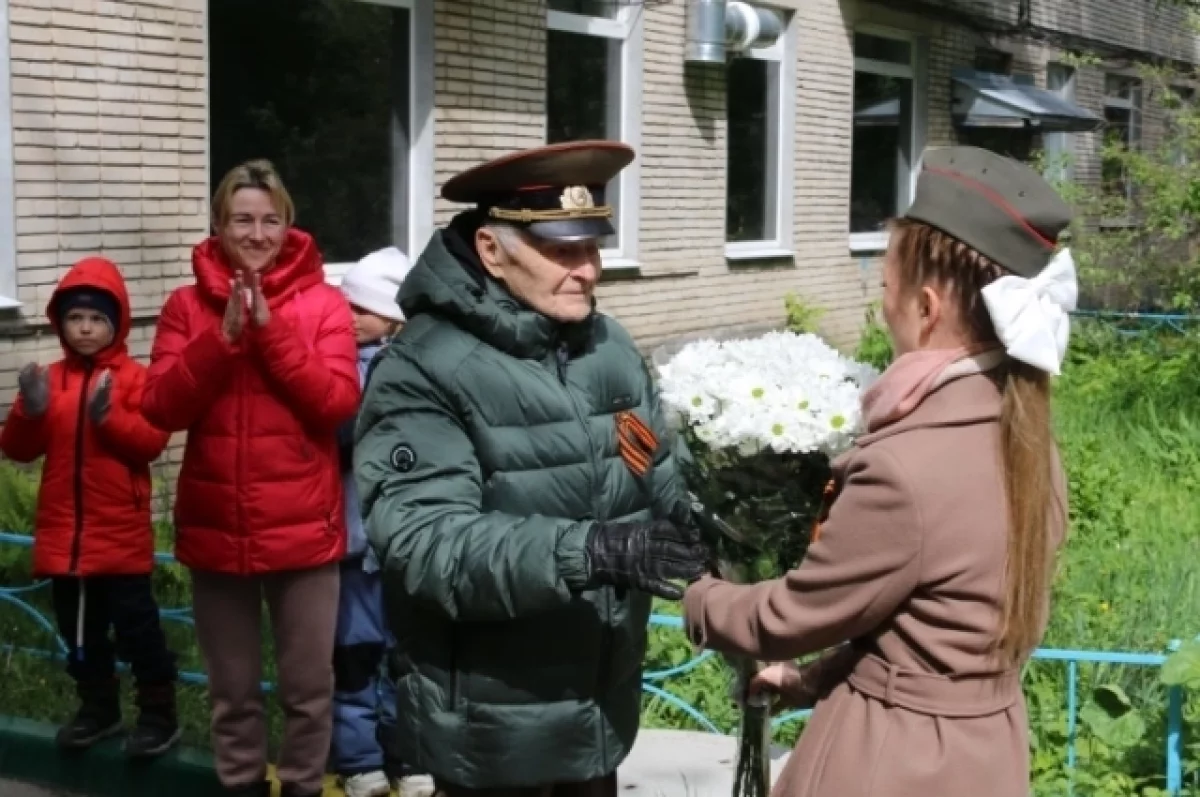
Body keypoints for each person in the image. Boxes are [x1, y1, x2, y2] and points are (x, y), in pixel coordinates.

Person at [682, 145, 1074, 797]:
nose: (882, 301)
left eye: (884, 285)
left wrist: (695, 591)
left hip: (891, 761)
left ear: (926, 307)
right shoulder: (1030, 439)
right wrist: (810, 681)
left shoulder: (904, 466)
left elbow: (787, 616)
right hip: (986, 753)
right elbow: (931, 632)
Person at [353, 140, 711, 797]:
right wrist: (590, 549)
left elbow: (652, 467)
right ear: (492, 250)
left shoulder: (609, 348)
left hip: (598, 714)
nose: (589, 270)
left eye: (592, 246)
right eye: (562, 250)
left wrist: (728, 521)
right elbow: (426, 544)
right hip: (492, 732)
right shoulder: (421, 370)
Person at [141, 159, 360, 797]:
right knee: (231, 693)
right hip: (218, 529)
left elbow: (337, 403)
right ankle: (238, 786)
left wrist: (269, 335)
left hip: (303, 530)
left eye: (270, 219)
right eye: (242, 220)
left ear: (288, 225)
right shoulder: (185, 307)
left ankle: (300, 788)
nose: (257, 233)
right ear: (218, 226)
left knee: (307, 691)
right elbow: (158, 408)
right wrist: (220, 341)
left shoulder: (324, 305)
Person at [0, 257, 178, 757]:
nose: (84, 327)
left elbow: (149, 441)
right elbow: (18, 449)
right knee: (80, 634)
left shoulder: (135, 380)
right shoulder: (51, 379)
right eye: (75, 317)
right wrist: (29, 410)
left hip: (119, 536)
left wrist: (109, 420)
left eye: (97, 319)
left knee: (138, 630)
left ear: (116, 324)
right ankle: (98, 708)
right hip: (64, 539)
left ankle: (159, 715)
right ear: (60, 322)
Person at [330, 246, 433, 797]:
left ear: (393, 316)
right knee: (353, 652)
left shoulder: (418, 368)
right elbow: (342, 434)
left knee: (405, 656)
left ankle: (408, 754)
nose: (346, 319)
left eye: (360, 309)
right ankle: (357, 758)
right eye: (344, 306)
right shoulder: (338, 369)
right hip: (352, 540)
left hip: (403, 543)